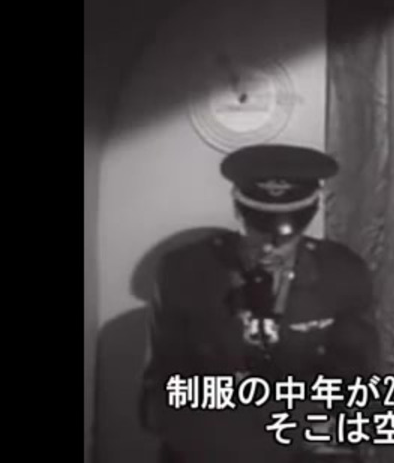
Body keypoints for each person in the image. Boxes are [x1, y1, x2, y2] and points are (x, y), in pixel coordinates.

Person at [139, 144, 380, 463]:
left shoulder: (342, 272)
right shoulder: (184, 271)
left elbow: (359, 388)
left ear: (312, 211)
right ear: (238, 209)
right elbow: (158, 400)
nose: (272, 244)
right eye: (259, 227)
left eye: (289, 229)